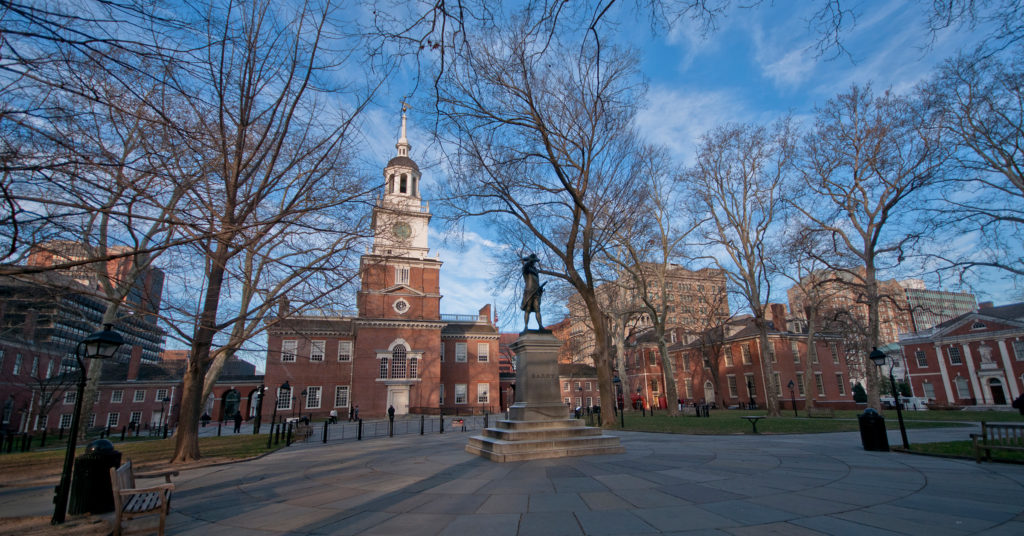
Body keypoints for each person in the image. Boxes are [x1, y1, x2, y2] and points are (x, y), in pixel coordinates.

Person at [520, 254, 545, 330]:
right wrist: (528, 260)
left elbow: (536, 281)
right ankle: (526, 327)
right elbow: (525, 267)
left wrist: (540, 288)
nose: (534, 262)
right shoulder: (526, 268)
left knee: (537, 309)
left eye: (535, 261)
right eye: (533, 261)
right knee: (527, 309)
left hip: (536, 291)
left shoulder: (535, 270)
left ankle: (540, 326)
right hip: (529, 291)